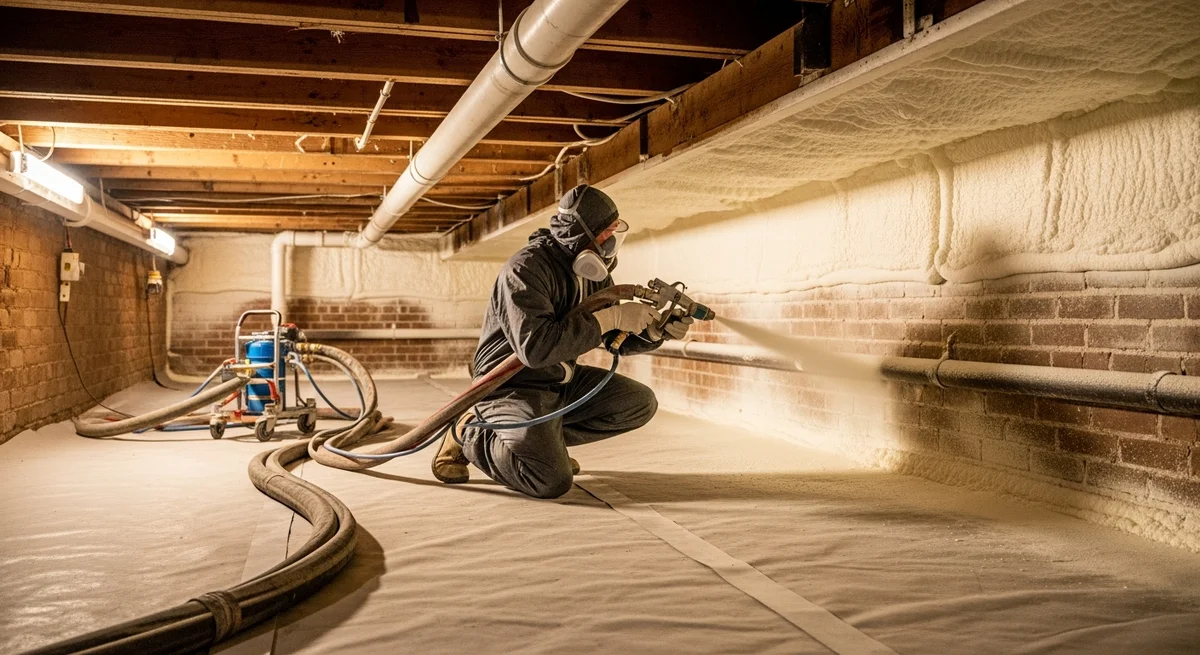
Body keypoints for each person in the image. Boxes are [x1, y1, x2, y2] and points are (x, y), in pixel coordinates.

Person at [432, 184, 691, 498]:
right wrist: (612, 318)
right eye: (605, 233)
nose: (611, 242)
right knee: (551, 481)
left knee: (638, 403)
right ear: (582, 234)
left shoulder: (592, 273)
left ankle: (541, 446)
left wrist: (653, 333)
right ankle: (470, 431)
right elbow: (536, 349)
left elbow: (611, 337)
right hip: (511, 385)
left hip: (558, 379)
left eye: (614, 232)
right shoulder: (525, 270)